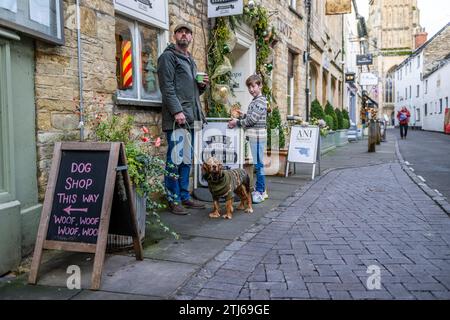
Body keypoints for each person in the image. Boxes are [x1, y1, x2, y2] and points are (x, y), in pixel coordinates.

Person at [157, 23, 209, 215]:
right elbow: (167, 88)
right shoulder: (167, 57)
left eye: (188, 33)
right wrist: (177, 111)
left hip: (192, 116)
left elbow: (193, 91)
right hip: (177, 118)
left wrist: (202, 86)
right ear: (175, 36)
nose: (184, 35)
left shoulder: (190, 60)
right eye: (181, 32)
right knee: (175, 159)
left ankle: (185, 196)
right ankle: (173, 199)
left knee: (186, 160)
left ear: (191, 38)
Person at [228, 74, 268, 204]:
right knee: (258, 164)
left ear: (260, 85)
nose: (251, 89)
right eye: (249, 87)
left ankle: (260, 192)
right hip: (254, 136)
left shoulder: (260, 101)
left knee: (259, 165)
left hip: (257, 137)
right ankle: (262, 190)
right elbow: (252, 116)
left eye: (253, 86)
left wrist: (237, 122)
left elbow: (252, 120)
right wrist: (243, 115)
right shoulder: (256, 100)